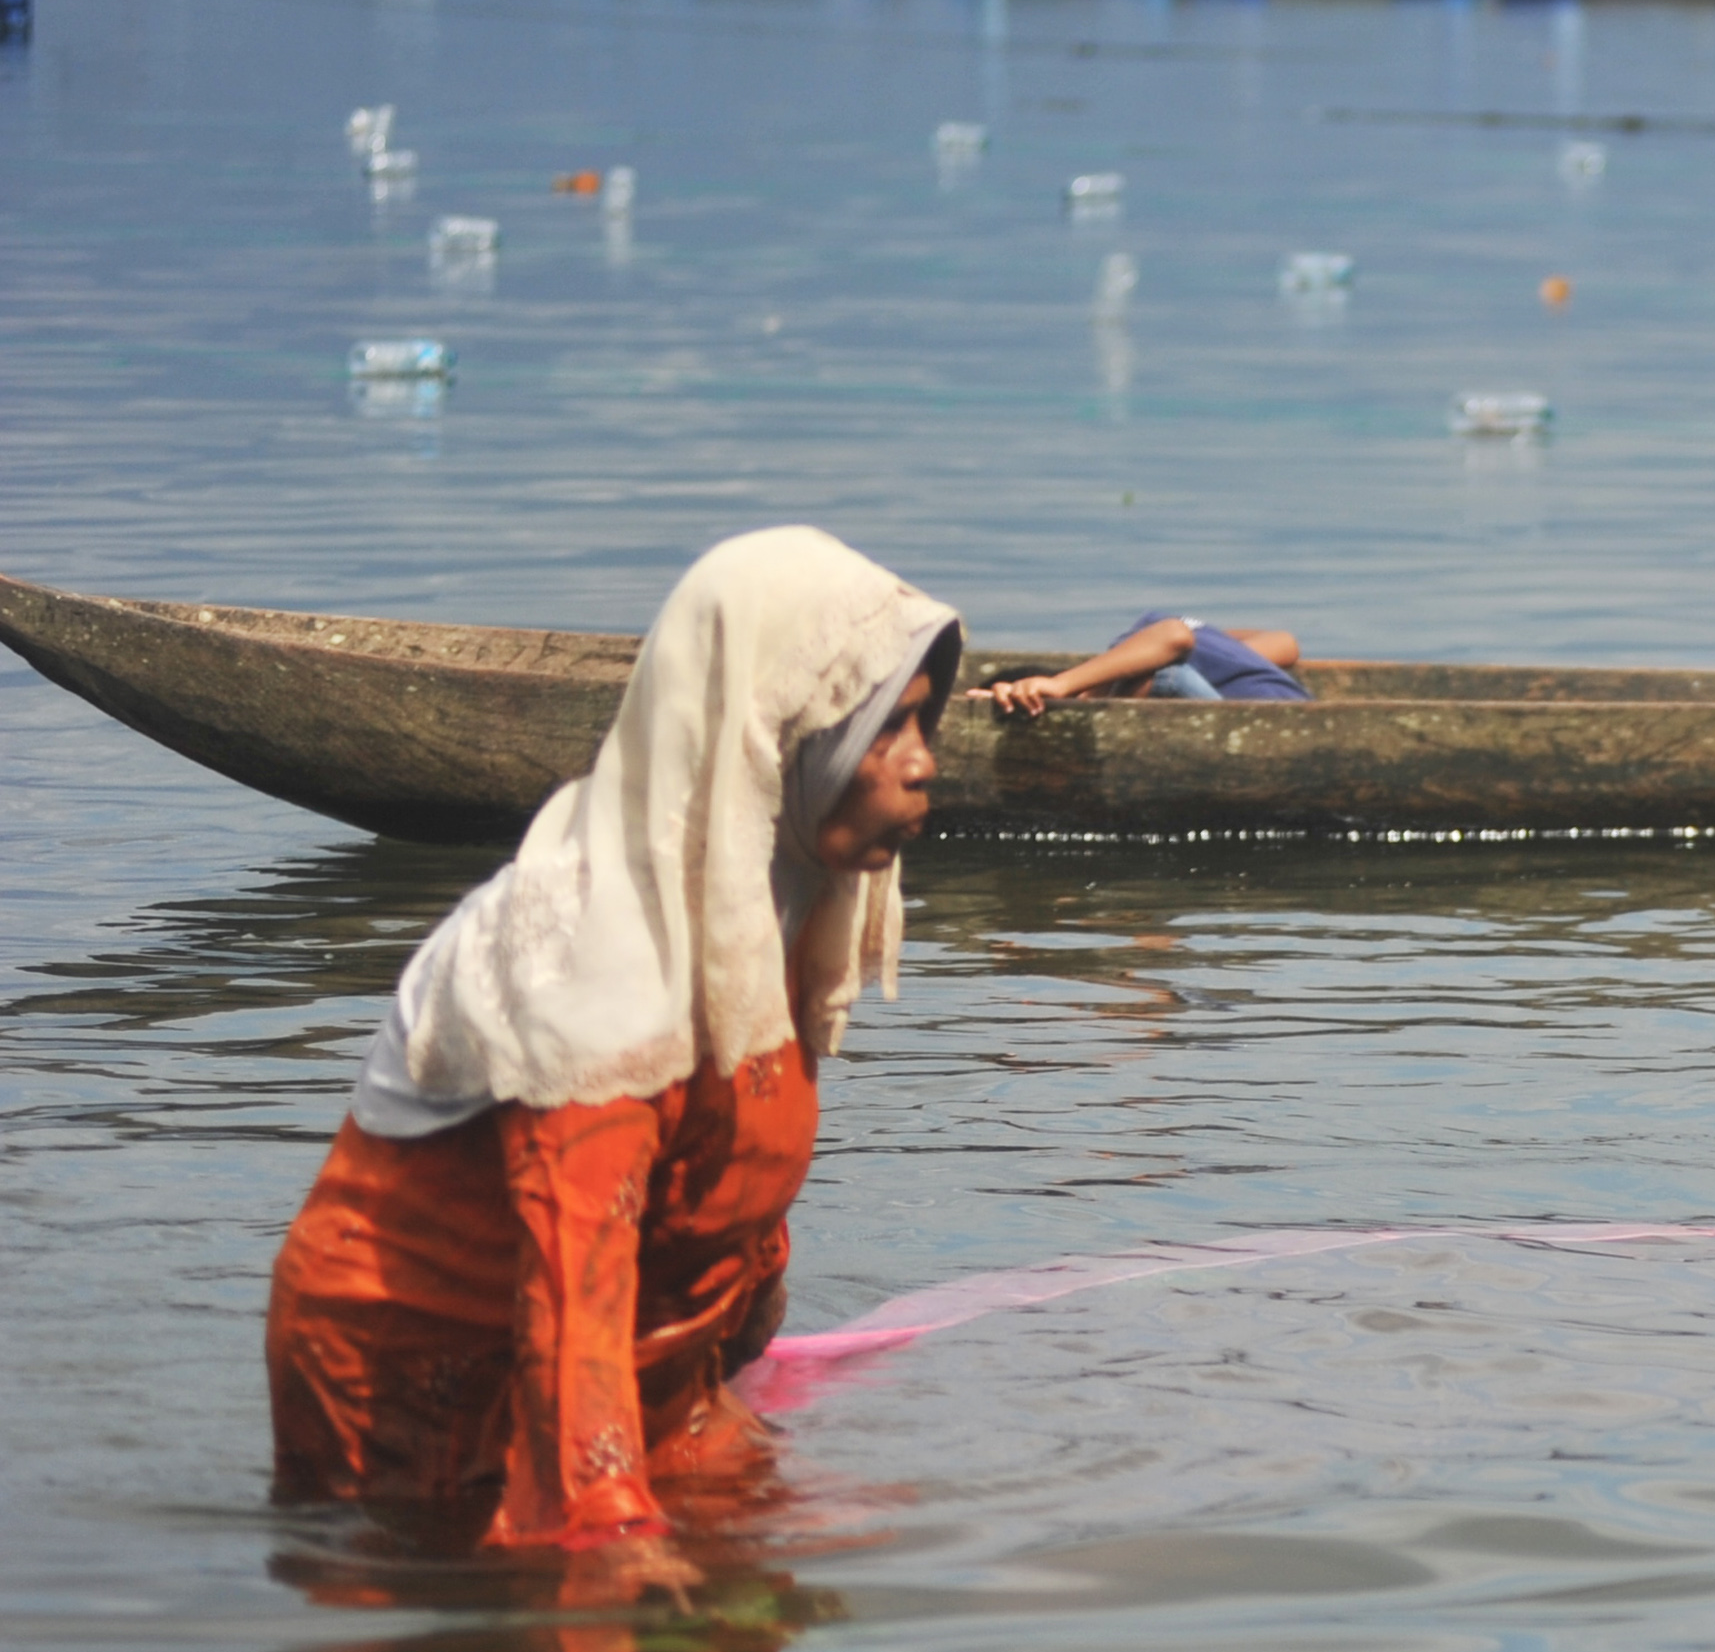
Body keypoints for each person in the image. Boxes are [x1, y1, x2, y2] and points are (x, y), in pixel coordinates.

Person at [265, 528, 966, 1552]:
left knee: (755, 1633)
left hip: (640, 1360)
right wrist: (603, 1523)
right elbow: (571, 1275)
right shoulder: (594, 951)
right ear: (774, 733)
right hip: (426, 1376)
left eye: (923, 725)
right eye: (884, 729)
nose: (922, 766)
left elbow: (725, 1161)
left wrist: (747, 1321)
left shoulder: (761, 906)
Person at [975, 610, 1308, 713]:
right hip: (1301, 712)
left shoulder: (1138, 639)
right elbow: (1286, 644)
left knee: (1161, 680)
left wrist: (1062, 685)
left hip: (1263, 732)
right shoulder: (1208, 643)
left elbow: (1175, 636)